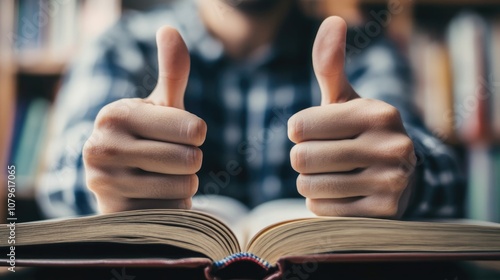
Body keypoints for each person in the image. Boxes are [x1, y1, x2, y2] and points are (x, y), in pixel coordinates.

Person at [37, 0, 464, 219]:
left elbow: (438, 165)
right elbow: (57, 175)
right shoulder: (123, 44)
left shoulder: (364, 50)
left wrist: (405, 178)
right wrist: (100, 173)